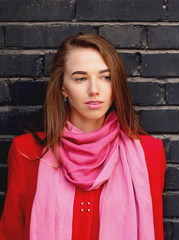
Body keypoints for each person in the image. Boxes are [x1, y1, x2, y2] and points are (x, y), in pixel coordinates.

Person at [0, 33, 166, 240]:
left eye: (106, 77)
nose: (94, 90)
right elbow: (10, 232)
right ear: (63, 88)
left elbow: (153, 231)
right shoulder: (27, 151)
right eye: (80, 78)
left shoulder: (148, 152)